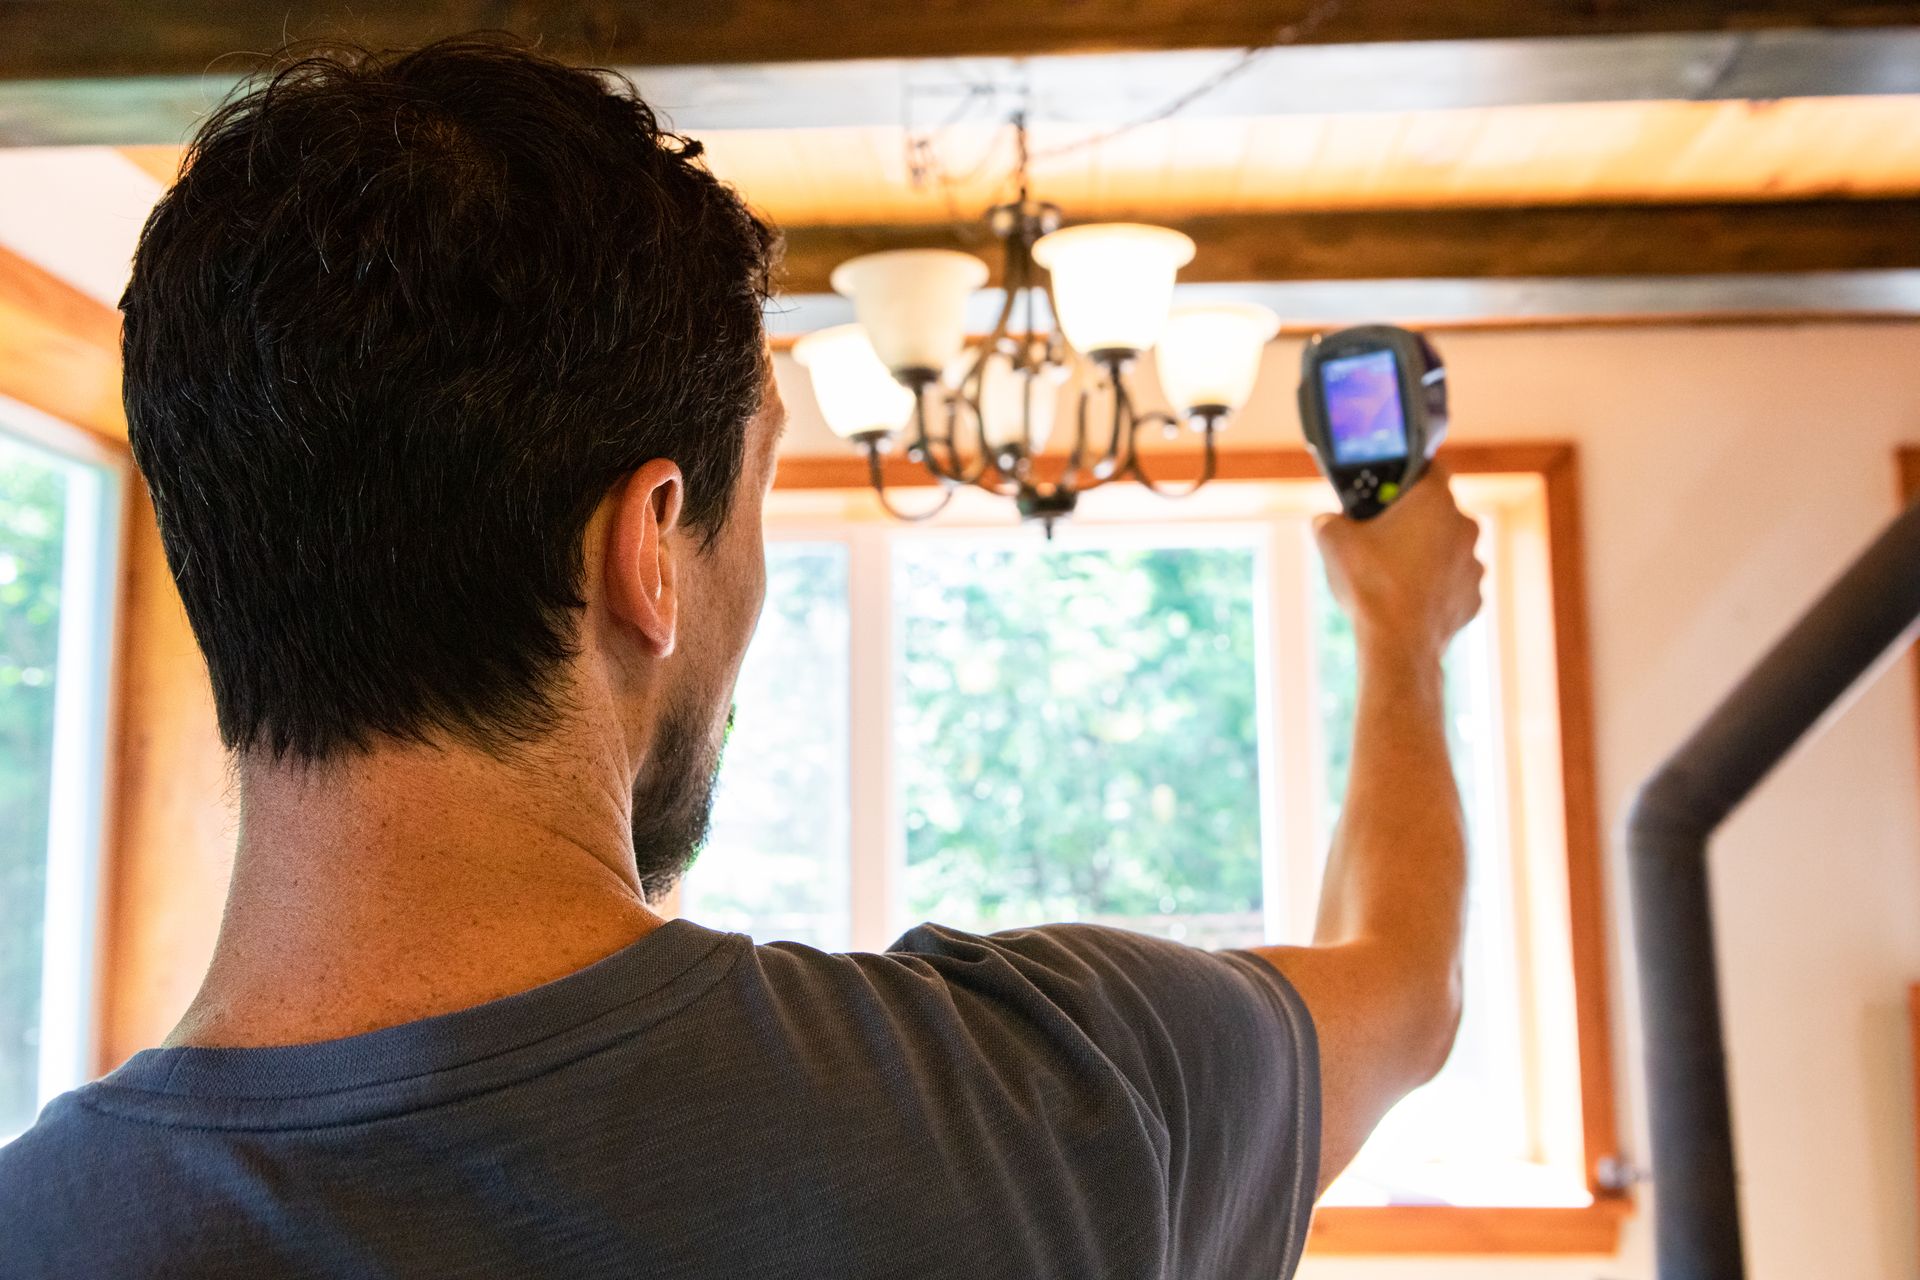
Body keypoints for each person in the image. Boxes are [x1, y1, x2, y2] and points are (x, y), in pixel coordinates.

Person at [0, 37, 1482, 1280]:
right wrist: (1400, 631)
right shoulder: (1058, 1097)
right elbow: (1405, 992)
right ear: (649, 546)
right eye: (758, 497)